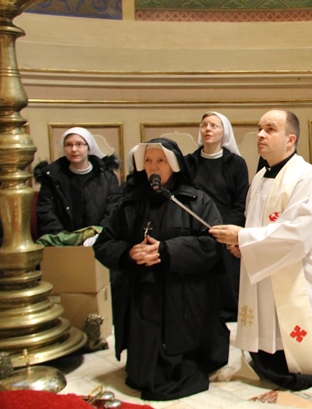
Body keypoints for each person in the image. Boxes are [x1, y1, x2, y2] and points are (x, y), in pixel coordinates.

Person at [209, 109, 312, 391]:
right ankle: (268, 357)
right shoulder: (260, 177)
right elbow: (255, 222)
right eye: (259, 128)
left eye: (270, 129)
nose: (261, 134)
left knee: (303, 325)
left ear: (290, 139)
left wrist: (245, 238)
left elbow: (299, 234)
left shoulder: (306, 177)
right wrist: (243, 246)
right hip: (265, 266)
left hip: (302, 269)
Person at [93, 138, 229, 400]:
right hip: (145, 295)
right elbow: (104, 244)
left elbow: (212, 245)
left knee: (183, 359)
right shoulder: (129, 204)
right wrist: (129, 252)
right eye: (148, 161)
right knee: (142, 373)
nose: (153, 167)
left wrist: (166, 251)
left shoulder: (196, 201)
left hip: (184, 296)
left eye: (160, 160)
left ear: (174, 165)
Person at [186, 111, 249, 322]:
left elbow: (241, 202)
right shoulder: (189, 163)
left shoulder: (236, 164)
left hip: (227, 229)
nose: (208, 129)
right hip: (196, 229)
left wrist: (224, 230)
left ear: (224, 132)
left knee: (228, 280)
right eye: (204, 125)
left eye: (214, 126)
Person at [34, 127, 121, 238]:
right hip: (62, 241)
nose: (74, 149)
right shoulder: (52, 177)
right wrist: (63, 238)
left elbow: (113, 209)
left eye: (79, 144)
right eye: (68, 145)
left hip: (99, 239)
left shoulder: (107, 177)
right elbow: (46, 211)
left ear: (88, 147)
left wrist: (99, 234)